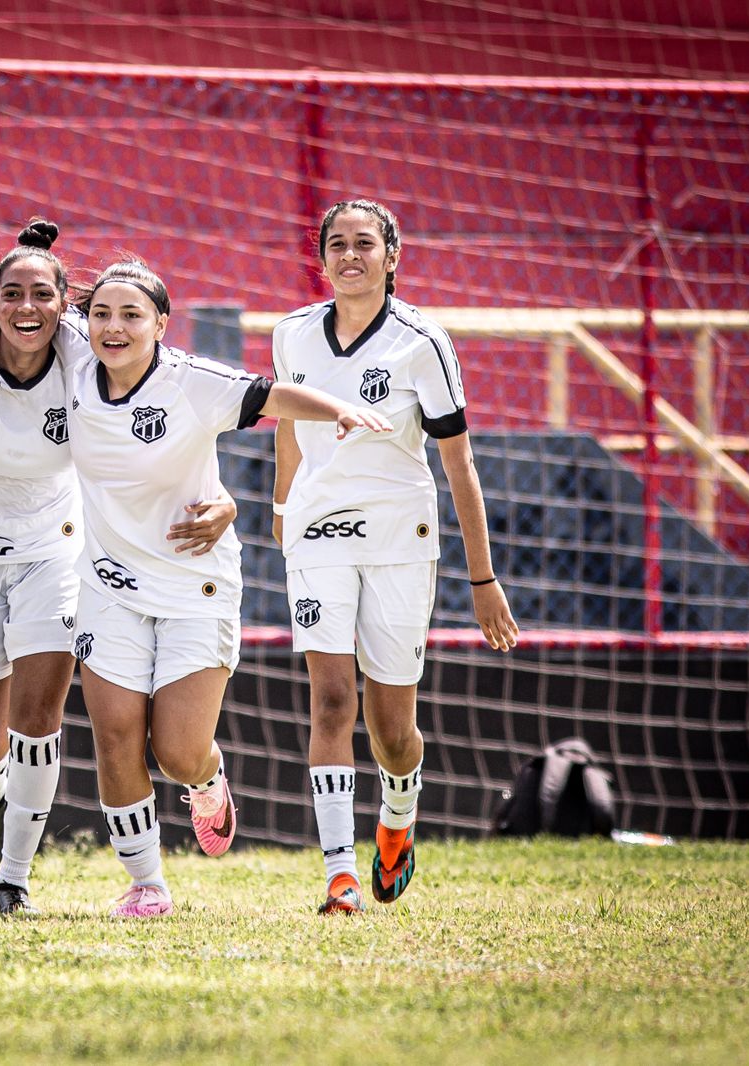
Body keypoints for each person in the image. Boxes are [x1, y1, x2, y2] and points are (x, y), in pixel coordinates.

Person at [68, 258, 393, 918]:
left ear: (162, 324)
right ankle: (148, 884)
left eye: (132, 314)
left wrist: (340, 410)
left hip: (195, 586)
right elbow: (16, 308)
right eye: (101, 313)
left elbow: (272, 397)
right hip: (107, 584)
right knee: (115, 737)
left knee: (177, 751)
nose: (113, 327)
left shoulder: (191, 381)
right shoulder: (71, 360)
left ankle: (207, 778)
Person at [0, 221, 238, 915]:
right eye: (11, 296)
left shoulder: (84, 347)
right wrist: (12, 298)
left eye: (44, 297)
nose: (28, 311)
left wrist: (224, 499)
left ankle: (19, 879)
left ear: (65, 305)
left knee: (44, 719)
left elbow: (169, 425)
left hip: (57, 553)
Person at [270, 198, 519, 916]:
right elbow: (287, 426)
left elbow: (458, 462)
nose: (350, 256)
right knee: (330, 700)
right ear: (321, 256)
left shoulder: (422, 341)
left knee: (392, 731)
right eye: (337, 245)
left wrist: (483, 578)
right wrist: (283, 512)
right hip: (317, 534)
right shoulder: (292, 334)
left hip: (399, 542)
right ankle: (339, 876)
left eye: (364, 244)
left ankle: (398, 819)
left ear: (391, 256)